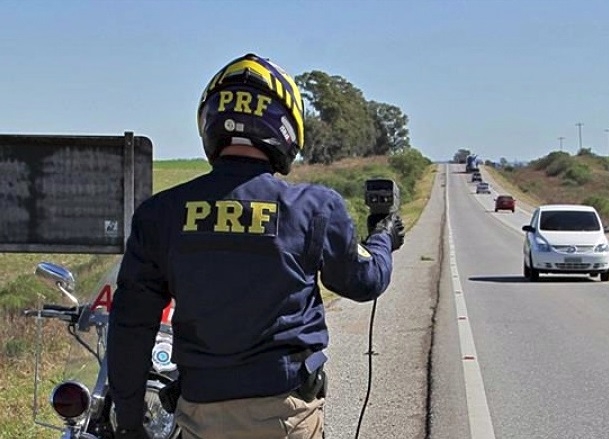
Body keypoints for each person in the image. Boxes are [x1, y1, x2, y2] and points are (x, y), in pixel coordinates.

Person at [107, 53, 405, 439]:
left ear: (211, 121)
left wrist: (129, 424)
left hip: (200, 414)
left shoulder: (159, 214)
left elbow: (131, 324)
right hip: (286, 415)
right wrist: (383, 235)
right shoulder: (314, 207)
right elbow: (365, 281)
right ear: (285, 125)